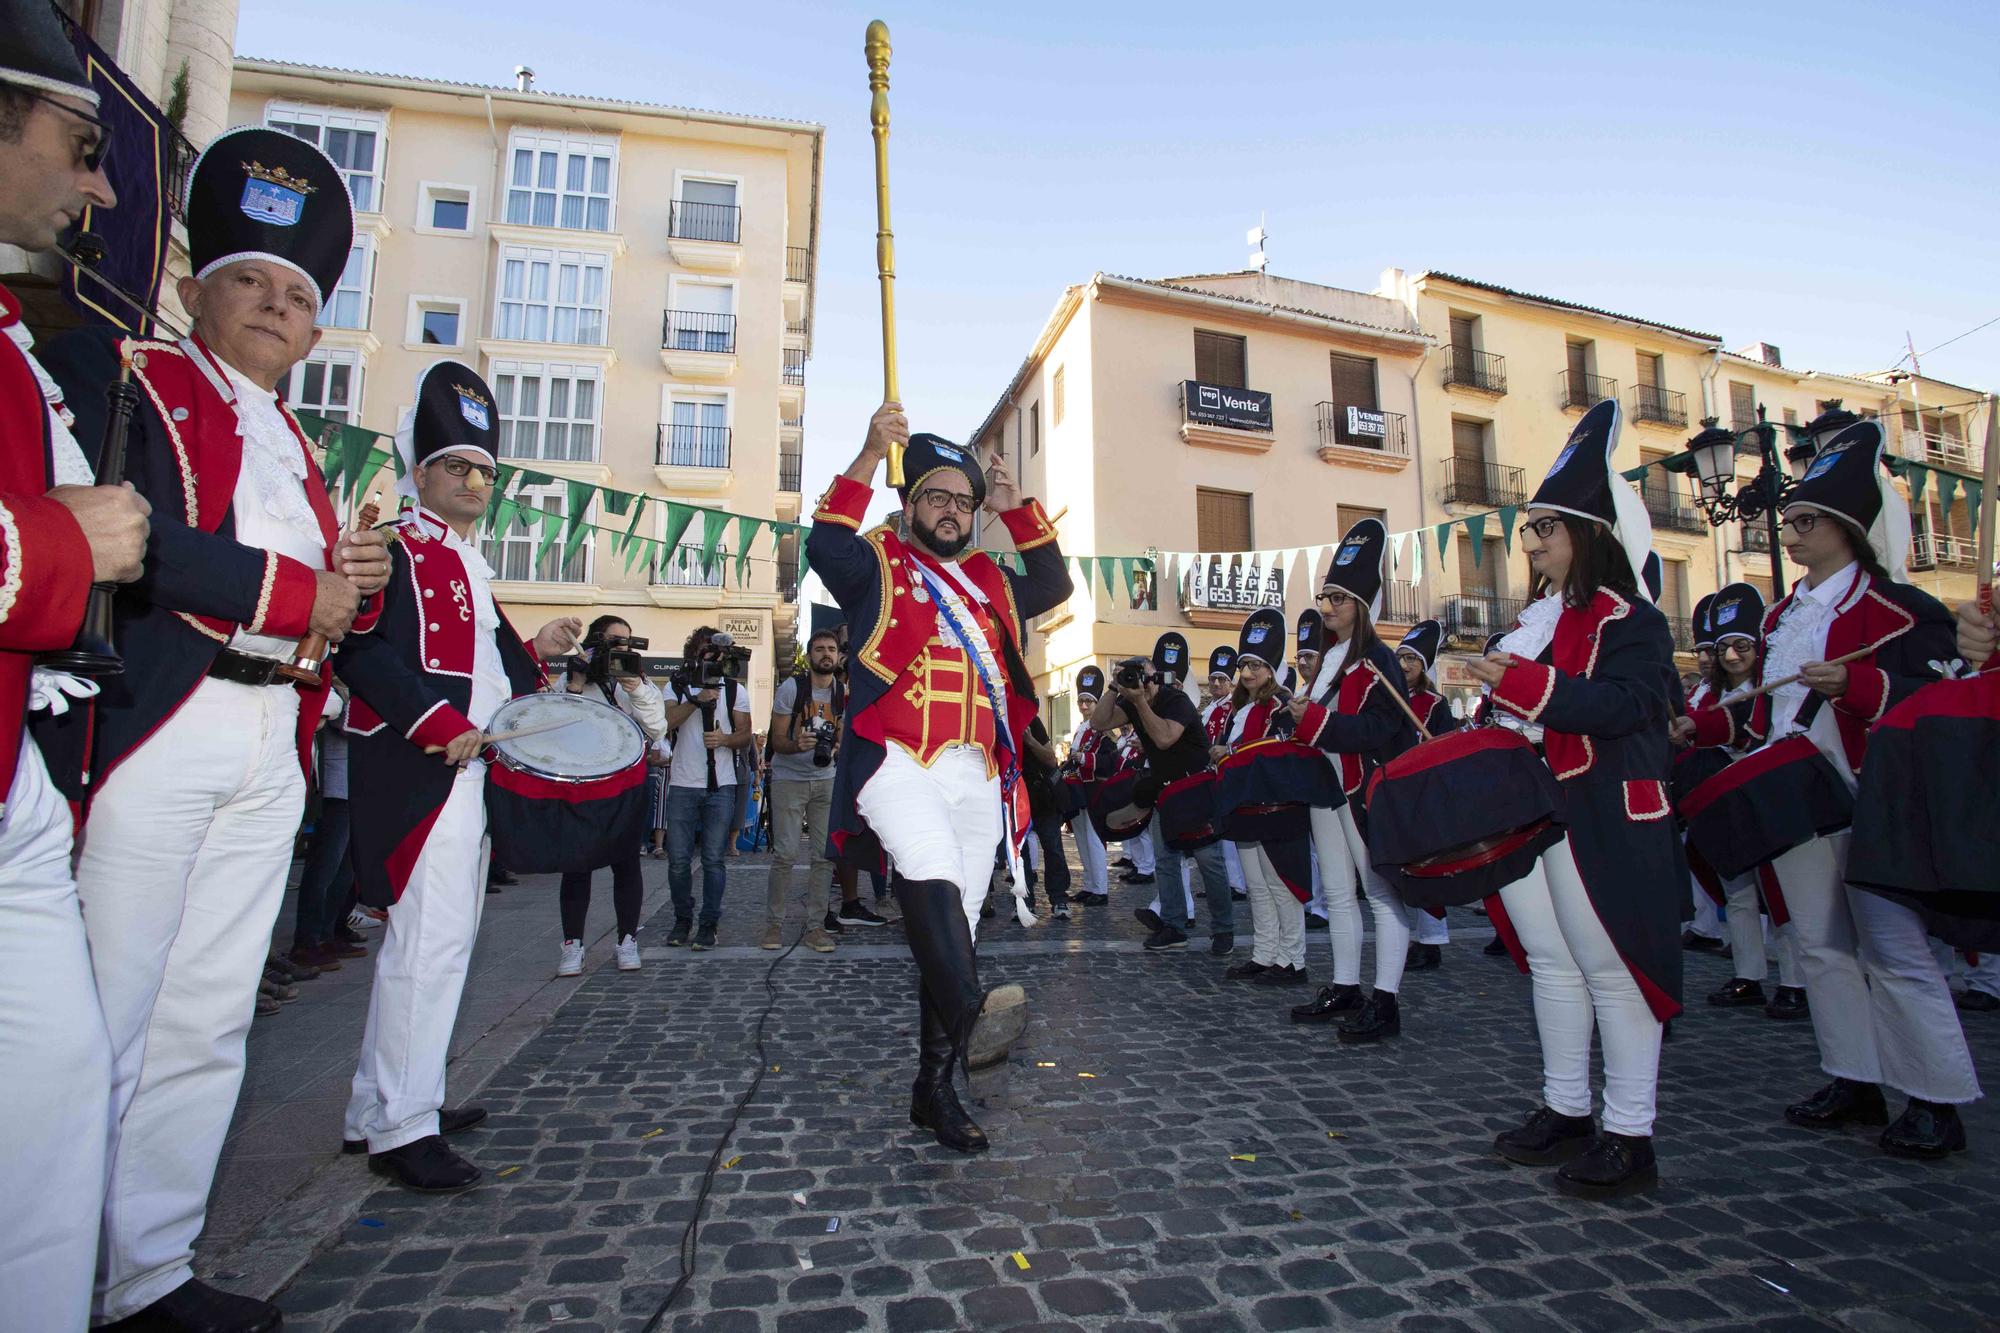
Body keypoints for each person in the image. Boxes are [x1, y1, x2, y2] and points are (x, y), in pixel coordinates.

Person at [41, 126, 392, 1331]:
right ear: (198, 286)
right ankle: (46, 1276)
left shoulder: (303, 444)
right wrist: (306, 594)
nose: (275, 304)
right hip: (162, 724)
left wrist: (355, 587)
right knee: (105, 1016)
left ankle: (150, 1272)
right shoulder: (130, 376)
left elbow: (332, 604)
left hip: (272, 731)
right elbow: (128, 534)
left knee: (207, 1016)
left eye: (298, 294)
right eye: (251, 278)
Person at [1691, 422, 1976, 1159]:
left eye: (1804, 520)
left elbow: (1944, 696)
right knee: (1818, 942)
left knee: (1893, 948)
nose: (1789, 531)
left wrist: (1862, 682)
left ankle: (1938, 1098)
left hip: (1873, 792)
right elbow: (1766, 710)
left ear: (1848, 527)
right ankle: (1855, 1076)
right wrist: (1707, 729)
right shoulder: (1782, 613)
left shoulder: (1901, 609)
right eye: (1786, 520)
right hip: (1794, 791)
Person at [329, 360, 578, 1191]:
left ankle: (388, 1103)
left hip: (470, 770)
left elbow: (492, 660)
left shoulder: (467, 559)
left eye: (484, 471)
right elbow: (361, 650)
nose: (474, 481)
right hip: (421, 763)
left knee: (440, 942)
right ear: (420, 469)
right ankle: (404, 1125)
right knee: (428, 947)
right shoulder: (393, 546)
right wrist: (444, 728)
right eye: (457, 467)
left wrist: (534, 654)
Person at [808, 409, 1071, 1152]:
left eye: (963, 500)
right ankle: (973, 1014)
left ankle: (934, 1088)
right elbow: (823, 542)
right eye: (936, 497)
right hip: (898, 760)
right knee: (929, 876)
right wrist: (866, 451)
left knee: (951, 924)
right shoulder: (878, 563)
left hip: (977, 769)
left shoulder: (990, 578)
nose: (952, 511)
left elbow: (1052, 576)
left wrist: (1014, 502)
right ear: (910, 504)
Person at [0, 18, 148, 1327]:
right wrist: (60, 543)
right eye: (82, 150)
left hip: (18, 774)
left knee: (52, 1092)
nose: (99, 188)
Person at [1468, 400, 1682, 1199]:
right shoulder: (1533, 620)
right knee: (1551, 962)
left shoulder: (1633, 618)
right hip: (1533, 809)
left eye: (1546, 526)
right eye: (1529, 528)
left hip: (1598, 809)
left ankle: (1631, 1132)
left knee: (1611, 967)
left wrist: (1521, 684)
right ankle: (1566, 1106)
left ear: (1589, 531)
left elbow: (1626, 705)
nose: (1532, 541)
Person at [1284, 519, 1417, 1042]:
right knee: (1338, 893)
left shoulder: (1380, 659)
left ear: (1363, 605)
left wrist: (1313, 721)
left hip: (1365, 790)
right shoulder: (1330, 659)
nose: (1329, 606)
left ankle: (1386, 1000)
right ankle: (1346, 985)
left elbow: (1382, 728)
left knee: (1382, 893)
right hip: (1327, 787)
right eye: (1326, 596)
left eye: (1340, 597)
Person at [1669, 582, 1808, 1019]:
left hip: (1769, 801)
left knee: (1781, 895)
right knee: (1740, 893)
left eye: (1742, 645)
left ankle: (1795, 980)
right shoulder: (1708, 694)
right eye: (1724, 646)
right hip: (1725, 806)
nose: (1731, 655)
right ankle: (1749, 974)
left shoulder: (1774, 685)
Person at [1091, 632, 1236, 955]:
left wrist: (1140, 700)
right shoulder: (1131, 701)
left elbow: (1165, 738)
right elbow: (1099, 722)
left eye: (1138, 677)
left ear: (1153, 677)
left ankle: (1223, 929)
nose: (1136, 683)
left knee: (1208, 861)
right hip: (1166, 790)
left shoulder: (1175, 700)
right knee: (1166, 861)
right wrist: (1114, 688)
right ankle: (1173, 926)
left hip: (1195, 787)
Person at [554, 615, 668, 975]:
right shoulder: (573, 675)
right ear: (594, 640)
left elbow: (657, 727)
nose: (621, 648)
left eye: (627, 641)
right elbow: (558, 726)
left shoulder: (636, 681)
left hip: (625, 781)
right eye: (614, 641)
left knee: (626, 862)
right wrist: (575, 683)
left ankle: (627, 940)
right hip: (583, 781)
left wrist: (634, 686)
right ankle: (573, 944)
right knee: (576, 865)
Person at [1214, 609, 1307, 985]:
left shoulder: (1283, 707)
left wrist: (1231, 755)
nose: (1248, 672)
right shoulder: (1239, 709)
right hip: (1244, 807)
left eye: (1256, 665)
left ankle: (1293, 960)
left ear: (1271, 670)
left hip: (1275, 809)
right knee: (1256, 887)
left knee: (1281, 885)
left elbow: (1280, 752)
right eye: (1244, 665)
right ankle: (1265, 953)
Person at [662, 625, 755, 949]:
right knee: (678, 859)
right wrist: (697, 700)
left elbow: (746, 733)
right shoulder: (677, 684)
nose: (710, 656)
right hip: (684, 783)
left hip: (721, 784)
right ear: (694, 652)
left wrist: (726, 740)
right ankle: (681, 918)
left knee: (714, 858)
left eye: (716, 651)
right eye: (705, 649)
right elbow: (667, 722)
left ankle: (708, 923)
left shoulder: (734, 689)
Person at [765, 628, 846, 951]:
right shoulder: (791, 689)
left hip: (826, 780)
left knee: (824, 857)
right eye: (819, 649)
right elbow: (776, 741)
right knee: (784, 855)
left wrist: (838, 747)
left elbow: (842, 737)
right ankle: (773, 926)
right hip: (789, 780)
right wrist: (796, 744)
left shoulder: (842, 692)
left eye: (831, 649)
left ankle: (815, 927)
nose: (826, 654)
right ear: (809, 655)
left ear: (839, 656)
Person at [1394, 618, 1458, 971]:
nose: (1404, 666)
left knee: (1428, 867)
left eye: (1412, 660)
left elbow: (1444, 748)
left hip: (1425, 792)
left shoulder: (1435, 704)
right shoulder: (1389, 698)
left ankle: (1431, 939)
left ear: (1424, 666)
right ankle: (1411, 935)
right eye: (1401, 658)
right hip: (1397, 791)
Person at [290, 686, 366, 970]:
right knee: (325, 867)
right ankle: (308, 940)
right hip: (336, 785)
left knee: (347, 868)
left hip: (357, 785)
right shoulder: (337, 680)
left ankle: (332, 929)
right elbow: (344, 723)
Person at [1064, 664, 1113, 907]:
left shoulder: (1104, 730)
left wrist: (1083, 759)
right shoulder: (1081, 730)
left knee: (1095, 840)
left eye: (1089, 702)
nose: (1084, 706)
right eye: (1081, 701)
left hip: (1094, 792)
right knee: (1082, 839)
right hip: (1078, 790)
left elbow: (1110, 761)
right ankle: (1089, 884)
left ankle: (1101, 889)